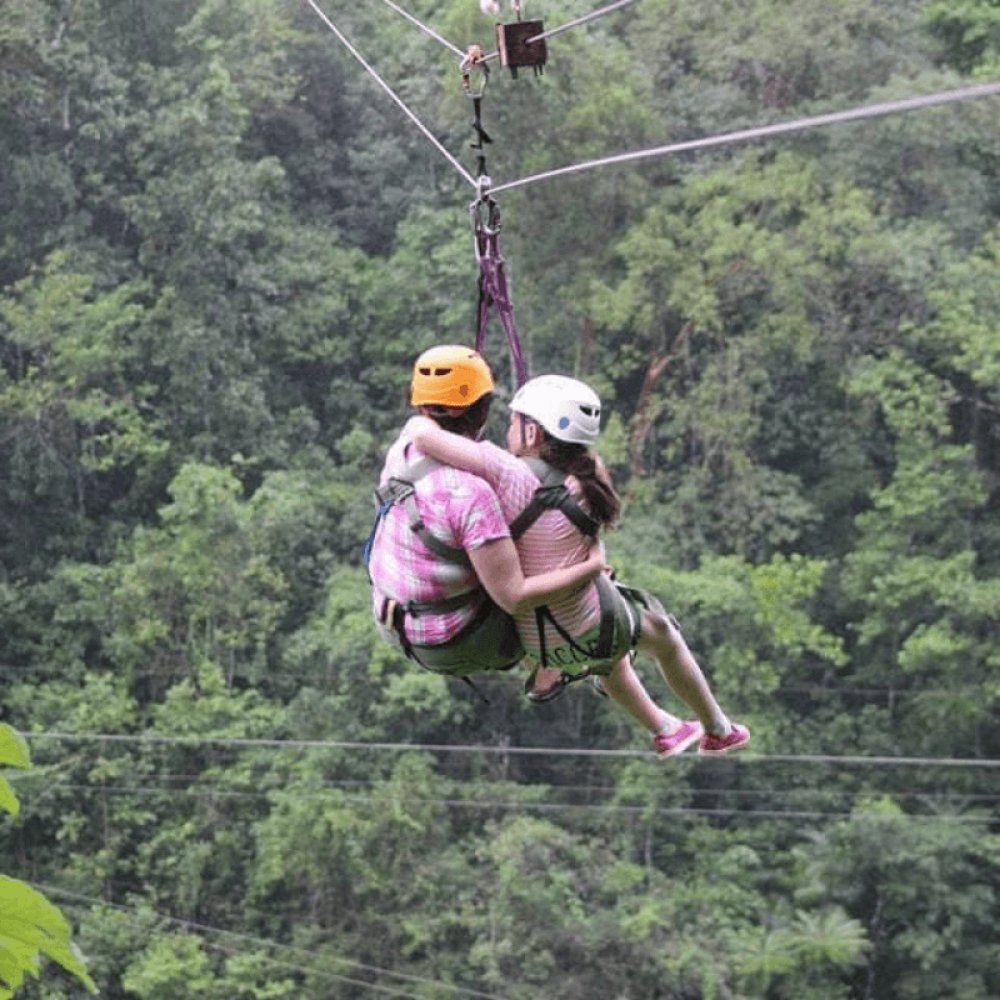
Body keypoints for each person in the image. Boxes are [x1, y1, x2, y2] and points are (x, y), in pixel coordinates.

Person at [405, 369, 750, 757]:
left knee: (608, 654)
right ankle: (717, 727)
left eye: (515, 421)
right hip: (591, 624)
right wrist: (592, 564)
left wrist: (429, 401)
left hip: (540, 641)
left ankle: (666, 728)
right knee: (662, 636)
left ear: (532, 433)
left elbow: (422, 435)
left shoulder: (505, 474)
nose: (507, 428)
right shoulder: (592, 475)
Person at [367, 345, 605, 676]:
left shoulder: (406, 445)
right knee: (554, 577)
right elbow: (515, 598)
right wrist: (591, 568)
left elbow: (426, 427)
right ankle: (550, 670)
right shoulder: (474, 494)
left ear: (421, 406)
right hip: (458, 643)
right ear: (483, 411)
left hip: (391, 619)